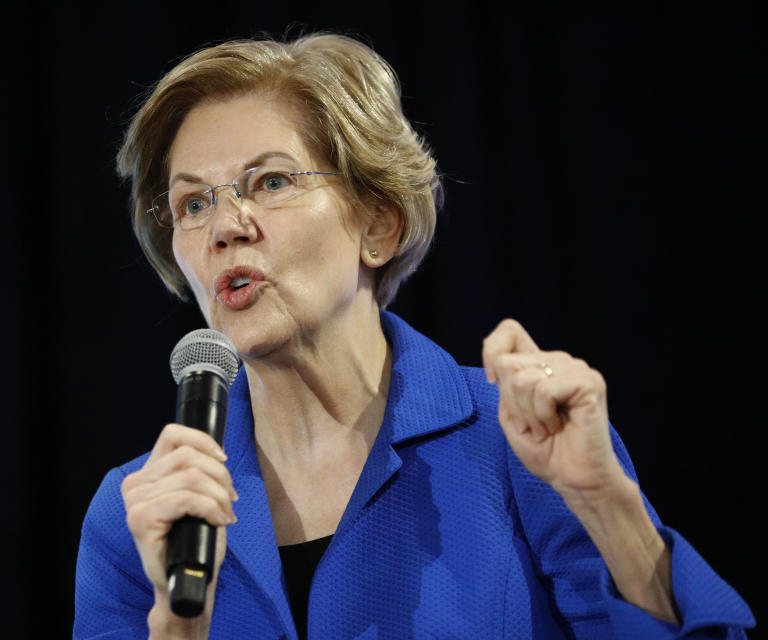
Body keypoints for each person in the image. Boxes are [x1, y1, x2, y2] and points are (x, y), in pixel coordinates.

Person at [73, 34, 754, 639]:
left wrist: (608, 506)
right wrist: (178, 625)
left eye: (270, 181)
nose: (225, 226)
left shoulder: (520, 440)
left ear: (379, 225)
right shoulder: (138, 512)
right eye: (194, 202)